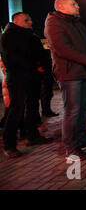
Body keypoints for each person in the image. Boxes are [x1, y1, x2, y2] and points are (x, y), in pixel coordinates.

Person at [44, 0, 86, 160]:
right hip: (69, 74)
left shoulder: (76, 22)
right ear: (61, 7)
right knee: (72, 111)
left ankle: (83, 138)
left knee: (83, 108)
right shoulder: (53, 23)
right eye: (73, 4)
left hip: (84, 71)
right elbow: (63, 49)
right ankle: (70, 148)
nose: (78, 6)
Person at [1, 12, 53, 158]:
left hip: (32, 76)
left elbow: (40, 54)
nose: (30, 22)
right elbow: (12, 58)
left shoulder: (31, 35)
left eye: (30, 19)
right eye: (26, 20)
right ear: (16, 21)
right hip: (18, 77)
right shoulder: (8, 36)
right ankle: (9, 145)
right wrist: (33, 66)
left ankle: (33, 136)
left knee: (33, 106)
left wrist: (42, 67)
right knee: (16, 109)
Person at [39, 49, 58, 117]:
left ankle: (46, 111)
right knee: (46, 94)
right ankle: (46, 111)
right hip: (45, 75)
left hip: (46, 75)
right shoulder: (42, 55)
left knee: (47, 94)